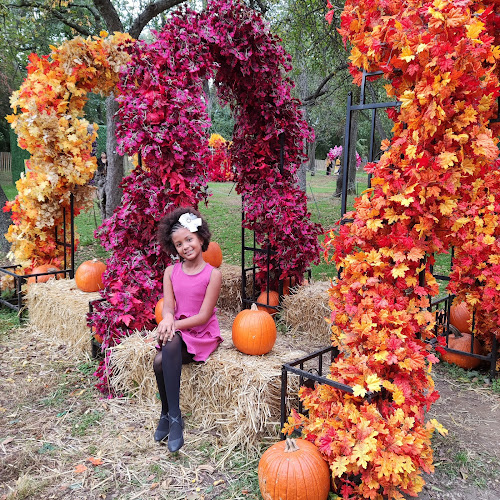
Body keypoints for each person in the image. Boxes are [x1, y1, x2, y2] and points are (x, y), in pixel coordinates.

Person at [153, 207, 223, 452]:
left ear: (201, 238)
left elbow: (203, 316)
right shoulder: (171, 272)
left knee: (167, 349)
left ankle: (172, 418)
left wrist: (172, 324)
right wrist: (168, 318)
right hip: (179, 331)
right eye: (179, 243)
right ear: (174, 248)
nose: (186, 246)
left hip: (200, 333)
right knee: (158, 362)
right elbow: (169, 306)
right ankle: (170, 414)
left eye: (189, 239)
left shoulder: (212, 275)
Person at [96, 152, 107, 219]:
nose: (102, 155)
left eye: (104, 154)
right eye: (102, 154)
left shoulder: (108, 161)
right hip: (100, 181)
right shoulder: (98, 161)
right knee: (100, 197)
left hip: (106, 180)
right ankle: (102, 212)